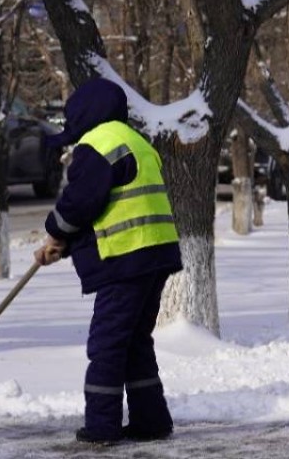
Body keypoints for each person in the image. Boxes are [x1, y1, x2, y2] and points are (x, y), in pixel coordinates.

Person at [33, 78, 182, 445]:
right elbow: (114, 206)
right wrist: (64, 245)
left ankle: (101, 427)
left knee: (107, 345)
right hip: (155, 255)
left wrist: (56, 232)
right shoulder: (135, 141)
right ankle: (151, 421)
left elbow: (81, 203)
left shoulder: (98, 145)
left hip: (125, 259)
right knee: (134, 342)